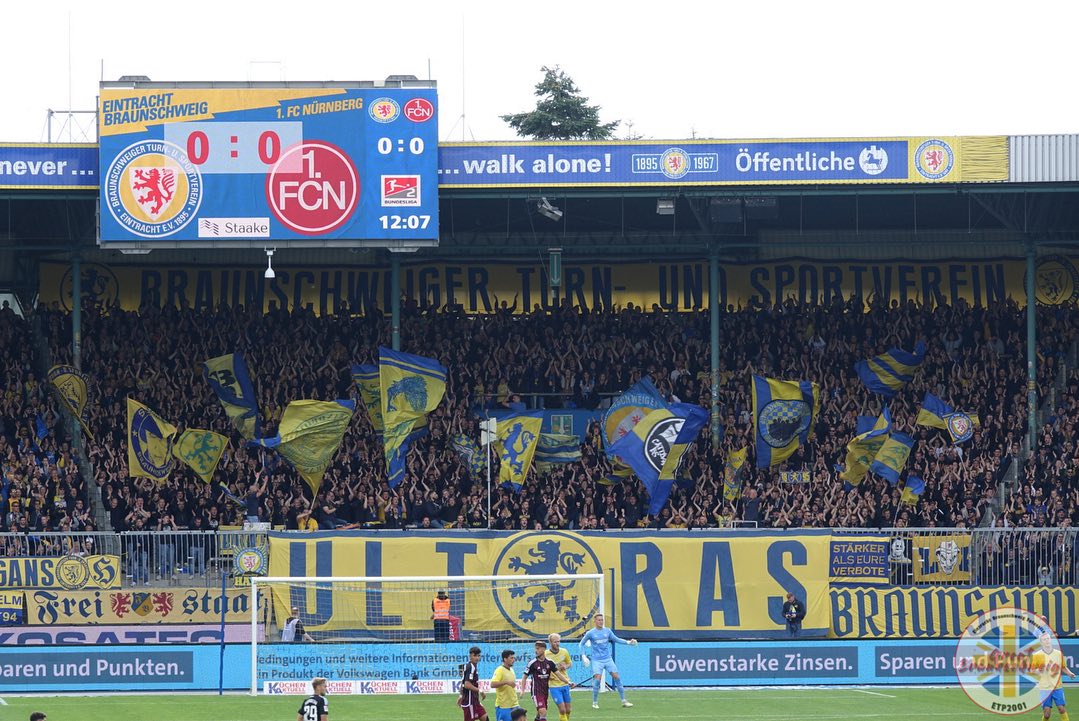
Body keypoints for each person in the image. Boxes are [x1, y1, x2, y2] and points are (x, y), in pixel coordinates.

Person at [580, 613, 636, 709]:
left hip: (608, 659)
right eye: (599, 620)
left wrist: (628, 642)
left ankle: (624, 701)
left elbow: (616, 639)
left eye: (602, 620)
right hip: (597, 660)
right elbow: (581, 644)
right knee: (597, 680)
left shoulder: (607, 631)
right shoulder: (591, 633)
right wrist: (583, 656)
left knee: (616, 677)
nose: (601, 621)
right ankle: (595, 702)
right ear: (595, 621)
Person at [523, 640, 570, 721]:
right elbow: (524, 677)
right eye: (536, 648)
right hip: (536, 692)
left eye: (538, 649)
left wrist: (568, 682)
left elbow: (558, 674)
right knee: (543, 712)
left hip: (545, 691)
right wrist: (522, 690)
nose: (536, 651)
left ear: (543, 649)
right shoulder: (532, 663)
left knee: (540, 714)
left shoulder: (550, 662)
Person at [1033, 631, 1075, 720]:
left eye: (1048, 639)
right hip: (1044, 688)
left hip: (1057, 687)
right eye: (1044, 639)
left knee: (1061, 708)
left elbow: (1063, 667)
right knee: (1047, 714)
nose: (1047, 641)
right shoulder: (1037, 655)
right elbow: (1033, 670)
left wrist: (1069, 673)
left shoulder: (1058, 653)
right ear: (1041, 642)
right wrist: (1038, 670)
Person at [546, 633, 573, 721]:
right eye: (555, 642)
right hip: (554, 686)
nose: (557, 644)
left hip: (565, 683)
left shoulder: (564, 651)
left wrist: (566, 666)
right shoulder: (546, 654)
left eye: (558, 641)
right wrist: (548, 675)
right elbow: (542, 669)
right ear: (550, 642)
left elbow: (569, 663)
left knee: (568, 710)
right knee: (562, 709)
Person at [491, 649, 521, 721]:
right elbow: (492, 684)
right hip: (504, 706)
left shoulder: (512, 670)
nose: (513, 660)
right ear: (505, 659)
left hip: (515, 704)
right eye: (511, 658)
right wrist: (506, 682)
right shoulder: (499, 670)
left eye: (514, 658)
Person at [459, 645, 488, 721]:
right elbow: (467, 684)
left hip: (475, 700)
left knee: (485, 717)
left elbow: (462, 681)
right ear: (470, 656)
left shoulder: (472, 666)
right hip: (469, 701)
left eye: (478, 656)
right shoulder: (470, 667)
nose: (477, 658)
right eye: (474, 655)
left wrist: (461, 695)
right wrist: (480, 691)